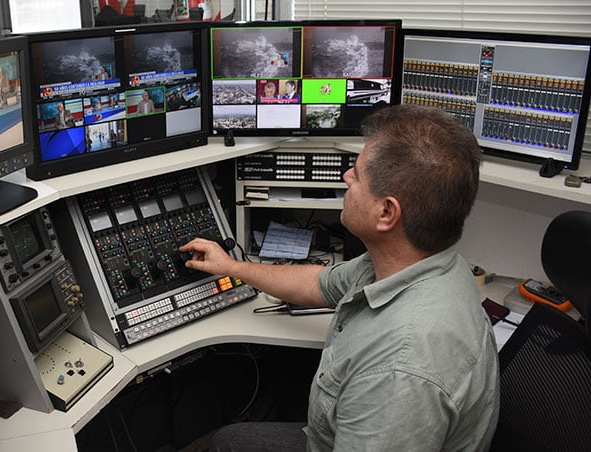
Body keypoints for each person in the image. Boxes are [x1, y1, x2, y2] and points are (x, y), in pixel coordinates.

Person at [179, 104, 500, 452]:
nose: (346, 177)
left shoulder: (399, 371)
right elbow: (319, 283)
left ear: (386, 212)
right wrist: (234, 267)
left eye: (358, 175)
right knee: (232, 441)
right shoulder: (421, 262)